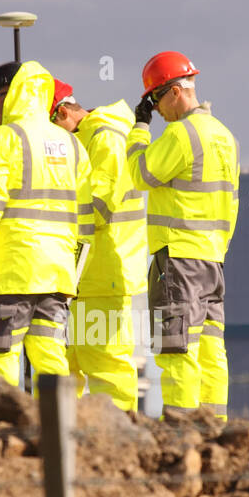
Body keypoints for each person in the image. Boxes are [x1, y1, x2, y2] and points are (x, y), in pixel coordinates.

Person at [0, 61, 92, 402]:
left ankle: (1, 438)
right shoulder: (72, 145)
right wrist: (73, 277)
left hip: (9, 274)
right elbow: (85, 223)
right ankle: (60, 433)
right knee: (51, 357)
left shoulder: (2, 140)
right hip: (56, 276)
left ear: (12, 94)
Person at [124, 52, 240, 421]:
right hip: (212, 259)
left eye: (156, 100)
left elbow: (140, 174)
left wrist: (139, 130)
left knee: (177, 348)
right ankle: (214, 426)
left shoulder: (182, 133)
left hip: (178, 257)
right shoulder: (224, 135)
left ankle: (182, 429)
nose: (156, 110)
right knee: (210, 349)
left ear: (175, 91)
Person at [50, 78, 147, 411]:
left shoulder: (103, 137)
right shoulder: (91, 136)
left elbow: (99, 208)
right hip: (85, 275)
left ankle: (120, 444)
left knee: (106, 366)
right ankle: (64, 446)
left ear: (62, 113)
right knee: (66, 365)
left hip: (102, 273)